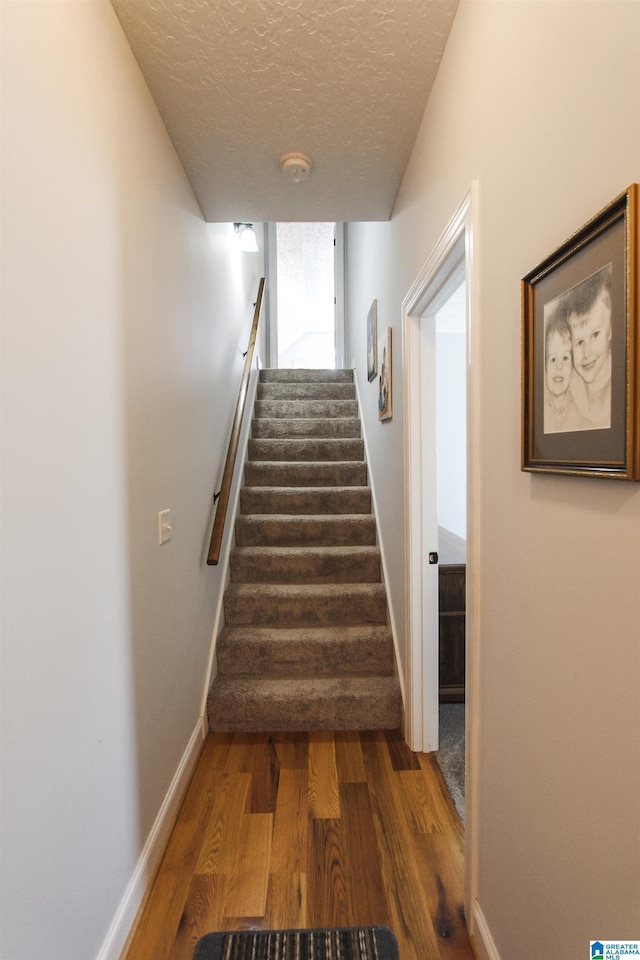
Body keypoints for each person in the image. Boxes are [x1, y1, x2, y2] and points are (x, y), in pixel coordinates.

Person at [566, 264, 612, 429]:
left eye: (595, 335)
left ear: (610, 330)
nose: (586, 353)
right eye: (579, 342)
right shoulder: (570, 385)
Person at [543, 310, 589, 433]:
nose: (559, 366)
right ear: (546, 367)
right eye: (553, 359)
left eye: (565, 358)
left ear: (572, 367)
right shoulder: (539, 413)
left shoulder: (580, 421)